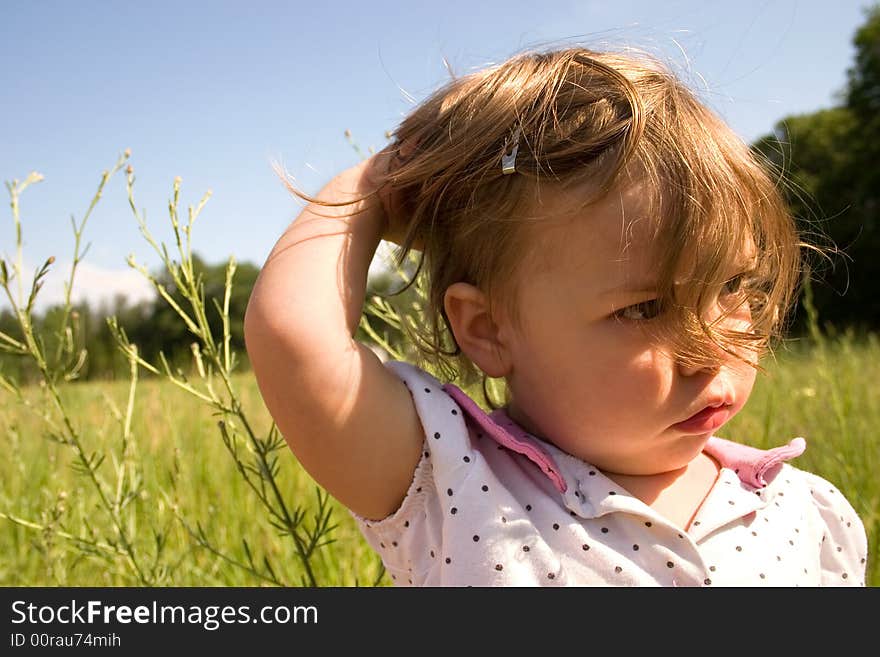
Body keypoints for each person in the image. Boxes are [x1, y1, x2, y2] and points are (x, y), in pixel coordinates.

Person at [244, 46, 868, 586]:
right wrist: (384, 178)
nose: (711, 348)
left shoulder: (804, 513)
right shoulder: (450, 482)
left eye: (734, 288)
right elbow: (295, 337)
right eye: (645, 307)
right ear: (488, 329)